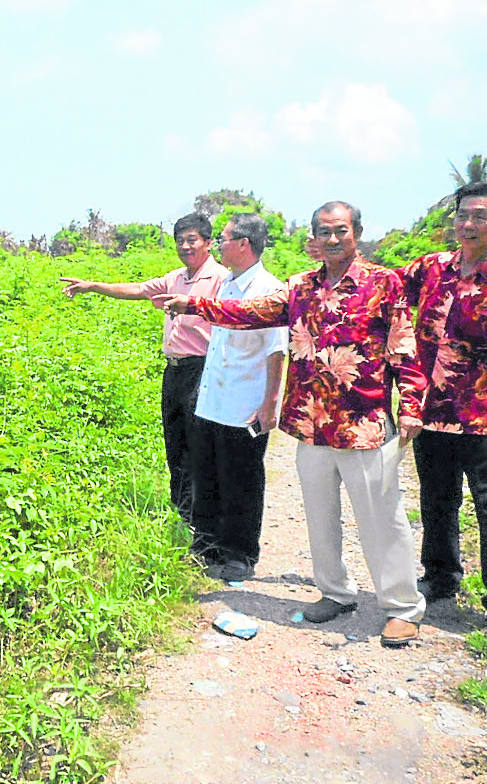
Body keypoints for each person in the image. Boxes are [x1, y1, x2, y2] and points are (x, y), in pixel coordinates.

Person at [156, 201, 428, 648]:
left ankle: (401, 606)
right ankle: (336, 593)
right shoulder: (299, 286)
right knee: (320, 516)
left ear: (356, 232)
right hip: (312, 422)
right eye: (323, 231)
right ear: (314, 238)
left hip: (365, 422)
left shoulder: (384, 283)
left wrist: (412, 404)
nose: (332, 239)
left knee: (381, 518)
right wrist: (196, 304)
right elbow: (252, 312)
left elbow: (403, 346)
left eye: (340, 230)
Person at [399, 181, 487, 636]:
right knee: (436, 501)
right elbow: (381, 290)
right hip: (432, 409)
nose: (468, 224)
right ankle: (440, 578)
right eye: (462, 214)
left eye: (480, 216)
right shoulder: (431, 269)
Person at [60, 214, 229, 525]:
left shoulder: (221, 278)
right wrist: (93, 286)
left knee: (199, 443)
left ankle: (202, 517)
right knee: (174, 439)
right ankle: (182, 512)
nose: (185, 246)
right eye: (180, 241)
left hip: (203, 369)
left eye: (192, 240)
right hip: (174, 370)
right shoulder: (175, 277)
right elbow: (138, 290)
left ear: (207, 242)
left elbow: (230, 318)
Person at [187, 213, 287, 582]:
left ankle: (241, 554)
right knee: (207, 475)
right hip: (213, 398)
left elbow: (277, 353)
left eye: (224, 239)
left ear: (244, 243)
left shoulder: (270, 291)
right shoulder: (227, 284)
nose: (218, 245)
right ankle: (206, 545)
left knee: (242, 480)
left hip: (244, 402)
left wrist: (268, 405)